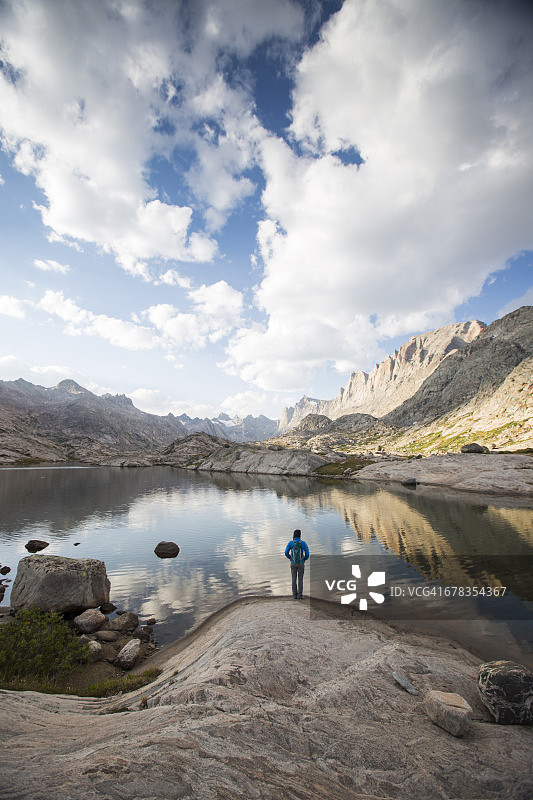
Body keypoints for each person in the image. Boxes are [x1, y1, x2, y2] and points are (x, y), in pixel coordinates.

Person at [285, 529, 309, 599]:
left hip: (293, 563)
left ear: (293, 535)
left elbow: (286, 553)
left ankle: (294, 595)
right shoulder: (303, 543)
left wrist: (290, 558)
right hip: (301, 563)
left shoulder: (291, 543)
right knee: (300, 579)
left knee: (293, 579)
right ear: (300, 536)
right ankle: (300, 595)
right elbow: (307, 554)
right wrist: (304, 559)